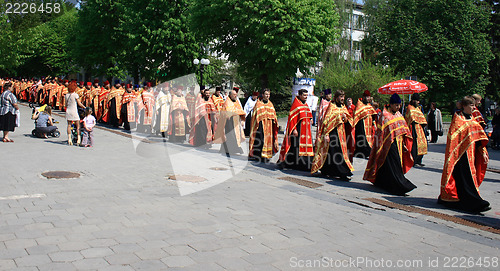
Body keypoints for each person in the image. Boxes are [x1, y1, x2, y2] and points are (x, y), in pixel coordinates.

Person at [438, 96, 490, 213]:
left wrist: (483, 152)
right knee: (464, 179)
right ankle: (471, 201)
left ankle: (474, 200)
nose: (473, 108)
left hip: (471, 154)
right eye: (471, 105)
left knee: (470, 179)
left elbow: (478, 139)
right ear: (465, 106)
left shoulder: (472, 119)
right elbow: (453, 138)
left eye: (474, 105)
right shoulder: (458, 120)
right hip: (459, 156)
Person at [364, 94, 416, 196]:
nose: (398, 107)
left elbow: (404, 128)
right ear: (391, 104)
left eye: (399, 105)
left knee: (390, 166)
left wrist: (404, 143)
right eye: (396, 105)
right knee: (393, 165)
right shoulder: (385, 115)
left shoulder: (399, 115)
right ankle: (399, 185)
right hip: (387, 144)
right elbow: (381, 132)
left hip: (398, 143)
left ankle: (382, 182)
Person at [311, 90, 354, 181]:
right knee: (334, 152)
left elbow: (348, 120)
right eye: (341, 97)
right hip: (332, 133)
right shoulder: (332, 106)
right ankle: (341, 173)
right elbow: (326, 121)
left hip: (341, 133)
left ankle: (328, 171)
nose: (342, 98)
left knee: (336, 152)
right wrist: (326, 134)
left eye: (343, 96)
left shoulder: (343, 107)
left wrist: (345, 119)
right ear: (336, 97)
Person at [278, 89, 314, 171]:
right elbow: (292, 119)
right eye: (304, 95)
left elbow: (308, 113)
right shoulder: (296, 105)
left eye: (306, 95)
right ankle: (289, 163)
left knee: (305, 148)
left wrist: (310, 118)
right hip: (299, 130)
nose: (306, 97)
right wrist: (294, 129)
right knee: (295, 147)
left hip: (306, 131)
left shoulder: (305, 104)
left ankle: (306, 165)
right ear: (300, 95)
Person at [248, 89, 279, 162]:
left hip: (269, 126)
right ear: (262, 95)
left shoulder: (270, 104)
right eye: (266, 94)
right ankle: (258, 155)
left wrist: (275, 122)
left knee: (268, 140)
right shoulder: (258, 104)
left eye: (268, 94)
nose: (267, 96)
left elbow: (274, 115)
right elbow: (255, 116)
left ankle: (266, 155)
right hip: (260, 125)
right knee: (260, 140)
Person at [214, 89, 246, 154]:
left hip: (236, 122)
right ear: (230, 95)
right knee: (231, 136)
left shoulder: (236, 102)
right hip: (229, 123)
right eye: (234, 95)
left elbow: (240, 111)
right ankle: (232, 150)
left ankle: (226, 149)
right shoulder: (227, 102)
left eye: (236, 95)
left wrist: (242, 119)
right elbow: (225, 113)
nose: (235, 96)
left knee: (235, 136)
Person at [353, 90, 377, 158]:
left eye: (369, 97)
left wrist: (374, 124)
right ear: (363, 97)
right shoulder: (359, 105)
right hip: (361, 125)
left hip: (368, 127)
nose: (368, 98)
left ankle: (368, 151)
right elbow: (356, 115)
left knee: (368, 139)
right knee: (361, 138)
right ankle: (361, 152)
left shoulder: (369, 105)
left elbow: (373, 115)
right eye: (367, 97)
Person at [405, 93, 427, 167]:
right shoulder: (410, 108)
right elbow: (410, 119)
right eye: (417, 101)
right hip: (413, 129)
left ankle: (419, 160)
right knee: (414, 146)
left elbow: (422, 118)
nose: (418, 102)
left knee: (422, 144)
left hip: (420, 129)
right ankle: (413, 161)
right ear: (414, 100)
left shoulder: (418, 109)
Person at [64, 81, 85, 145]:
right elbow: (79, 104)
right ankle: (78, 140)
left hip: (68, 111)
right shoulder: (75, 95)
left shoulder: (66, 95)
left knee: (69, 125)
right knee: (78, 126)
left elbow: (66, 104)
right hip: (74, 111)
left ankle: (69, 139)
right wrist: (84, 107)